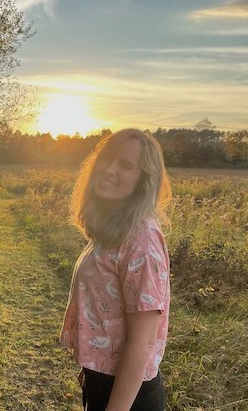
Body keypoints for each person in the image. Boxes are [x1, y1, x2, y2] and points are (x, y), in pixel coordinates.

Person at [60, 128, 172, 411]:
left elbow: (142, 344)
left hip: (128, 397)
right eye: (107, 159)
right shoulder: (115, 231)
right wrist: (94, 366)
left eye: (125, 165)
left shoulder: (141, 240)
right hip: (106, 383)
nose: (109, 170)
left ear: (143, 181)